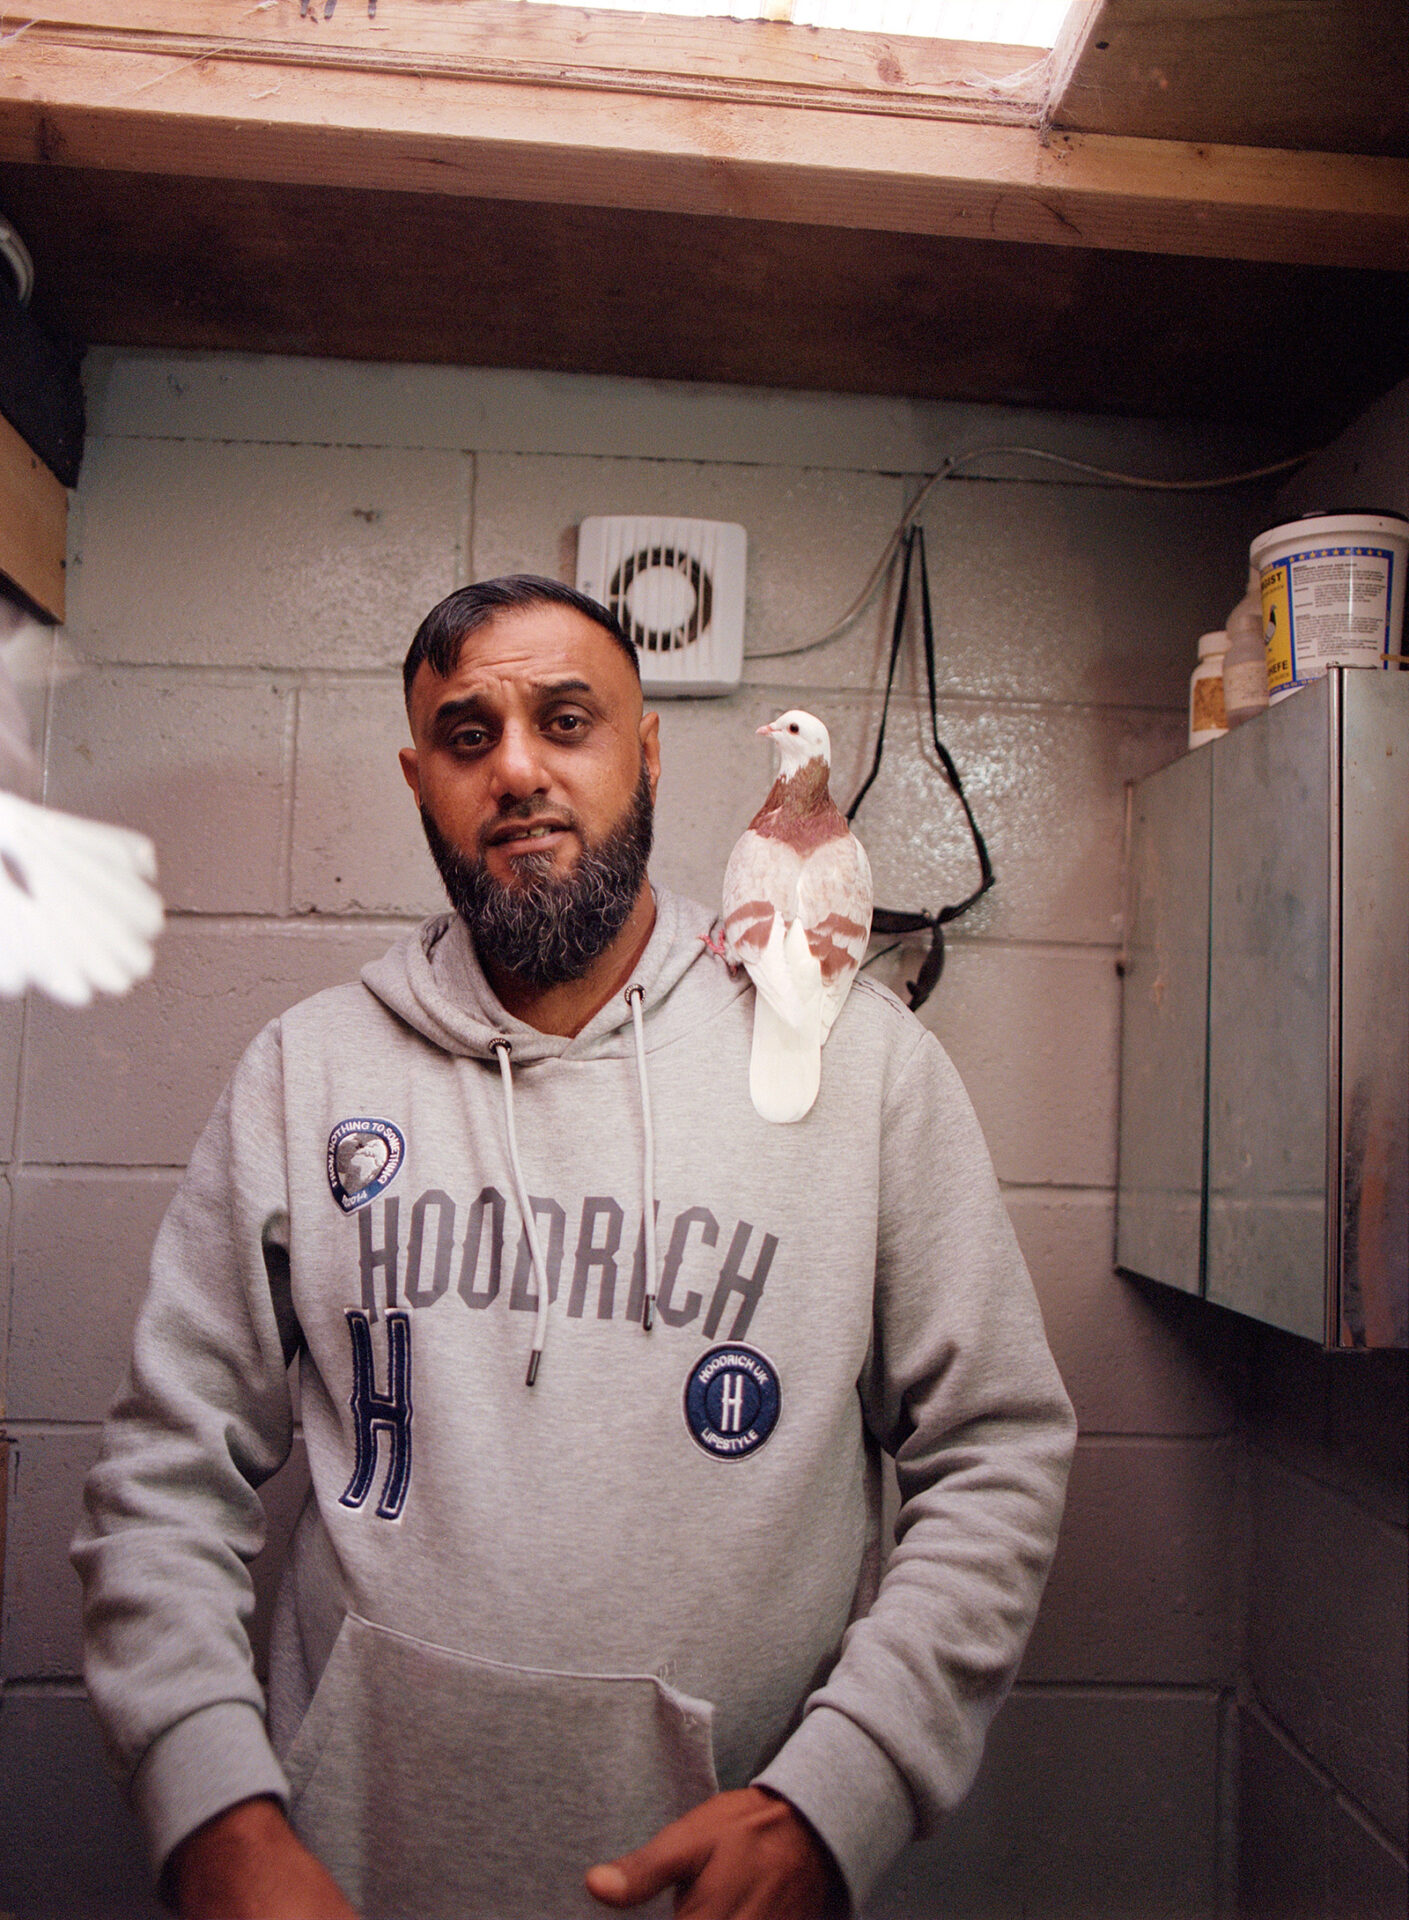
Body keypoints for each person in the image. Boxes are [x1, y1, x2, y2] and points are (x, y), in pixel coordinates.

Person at [74, 575, 1076, 1920]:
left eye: (566, 719)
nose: (519, 771)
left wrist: (838, 1799)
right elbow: (161, 1476)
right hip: (347, 1868)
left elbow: (995, 1452)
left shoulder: (858, 1065)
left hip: (724, 1879)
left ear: (647, 749)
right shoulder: (302, 1077)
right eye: (468, 736)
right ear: (418, 774)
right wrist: (215, 1819)